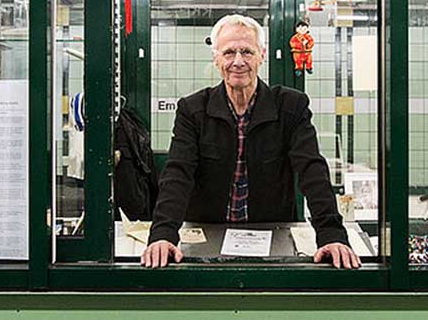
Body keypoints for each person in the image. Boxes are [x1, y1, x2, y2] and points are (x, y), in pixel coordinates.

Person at [142, 14, 360, 269]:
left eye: (246, 51)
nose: (238, 61)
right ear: (216, 58)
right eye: (228, 52)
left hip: (272, 235)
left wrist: (332, 235)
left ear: (261, 55)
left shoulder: (290, 106)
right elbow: (178, 173)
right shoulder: (193, 110)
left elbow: (312, 169)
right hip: (208, 235)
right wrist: (163, 235)